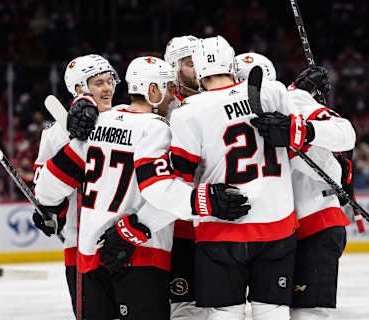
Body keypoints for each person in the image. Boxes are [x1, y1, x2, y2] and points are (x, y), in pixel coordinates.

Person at [34, 55, 250, 320]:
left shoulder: (95, 127)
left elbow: (45, 189)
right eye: (169, 87)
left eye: (108, 81)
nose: (174, 94)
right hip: (142, 251)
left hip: (90, 253)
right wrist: (204, 200)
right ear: (152, 91)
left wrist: (51, 206)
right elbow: (163, 192)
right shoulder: (160, 130)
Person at [169, 35, 319, 320]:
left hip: (219, 230)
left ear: (199, 71)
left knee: (224, 312)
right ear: (231, 63)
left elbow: (179, 178)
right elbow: (303, 146)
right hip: (277, 224)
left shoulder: (187, 113)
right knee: (273, 312)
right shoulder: (272, 92)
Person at [249, 63, 356, 320]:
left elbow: (345, 135)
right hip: (269, 230)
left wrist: (300, 130)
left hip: (312, 222)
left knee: (307, 312)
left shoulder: (294, 102)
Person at [31, 54, 119, 317]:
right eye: (98, 83)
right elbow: (45, 186)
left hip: (125, 239)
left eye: (109, 81)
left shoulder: (124, 120)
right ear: (80, 89)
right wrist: (50, 215)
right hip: (82, 244)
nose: (108, 88)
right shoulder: (55, 133)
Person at [164, 35, 204, 320]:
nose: (198, 69)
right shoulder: (163, 111)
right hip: (180, 228)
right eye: (190, 63)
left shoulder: (219, 102)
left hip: (222, 224)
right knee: (184, 309)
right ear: (173, 68)